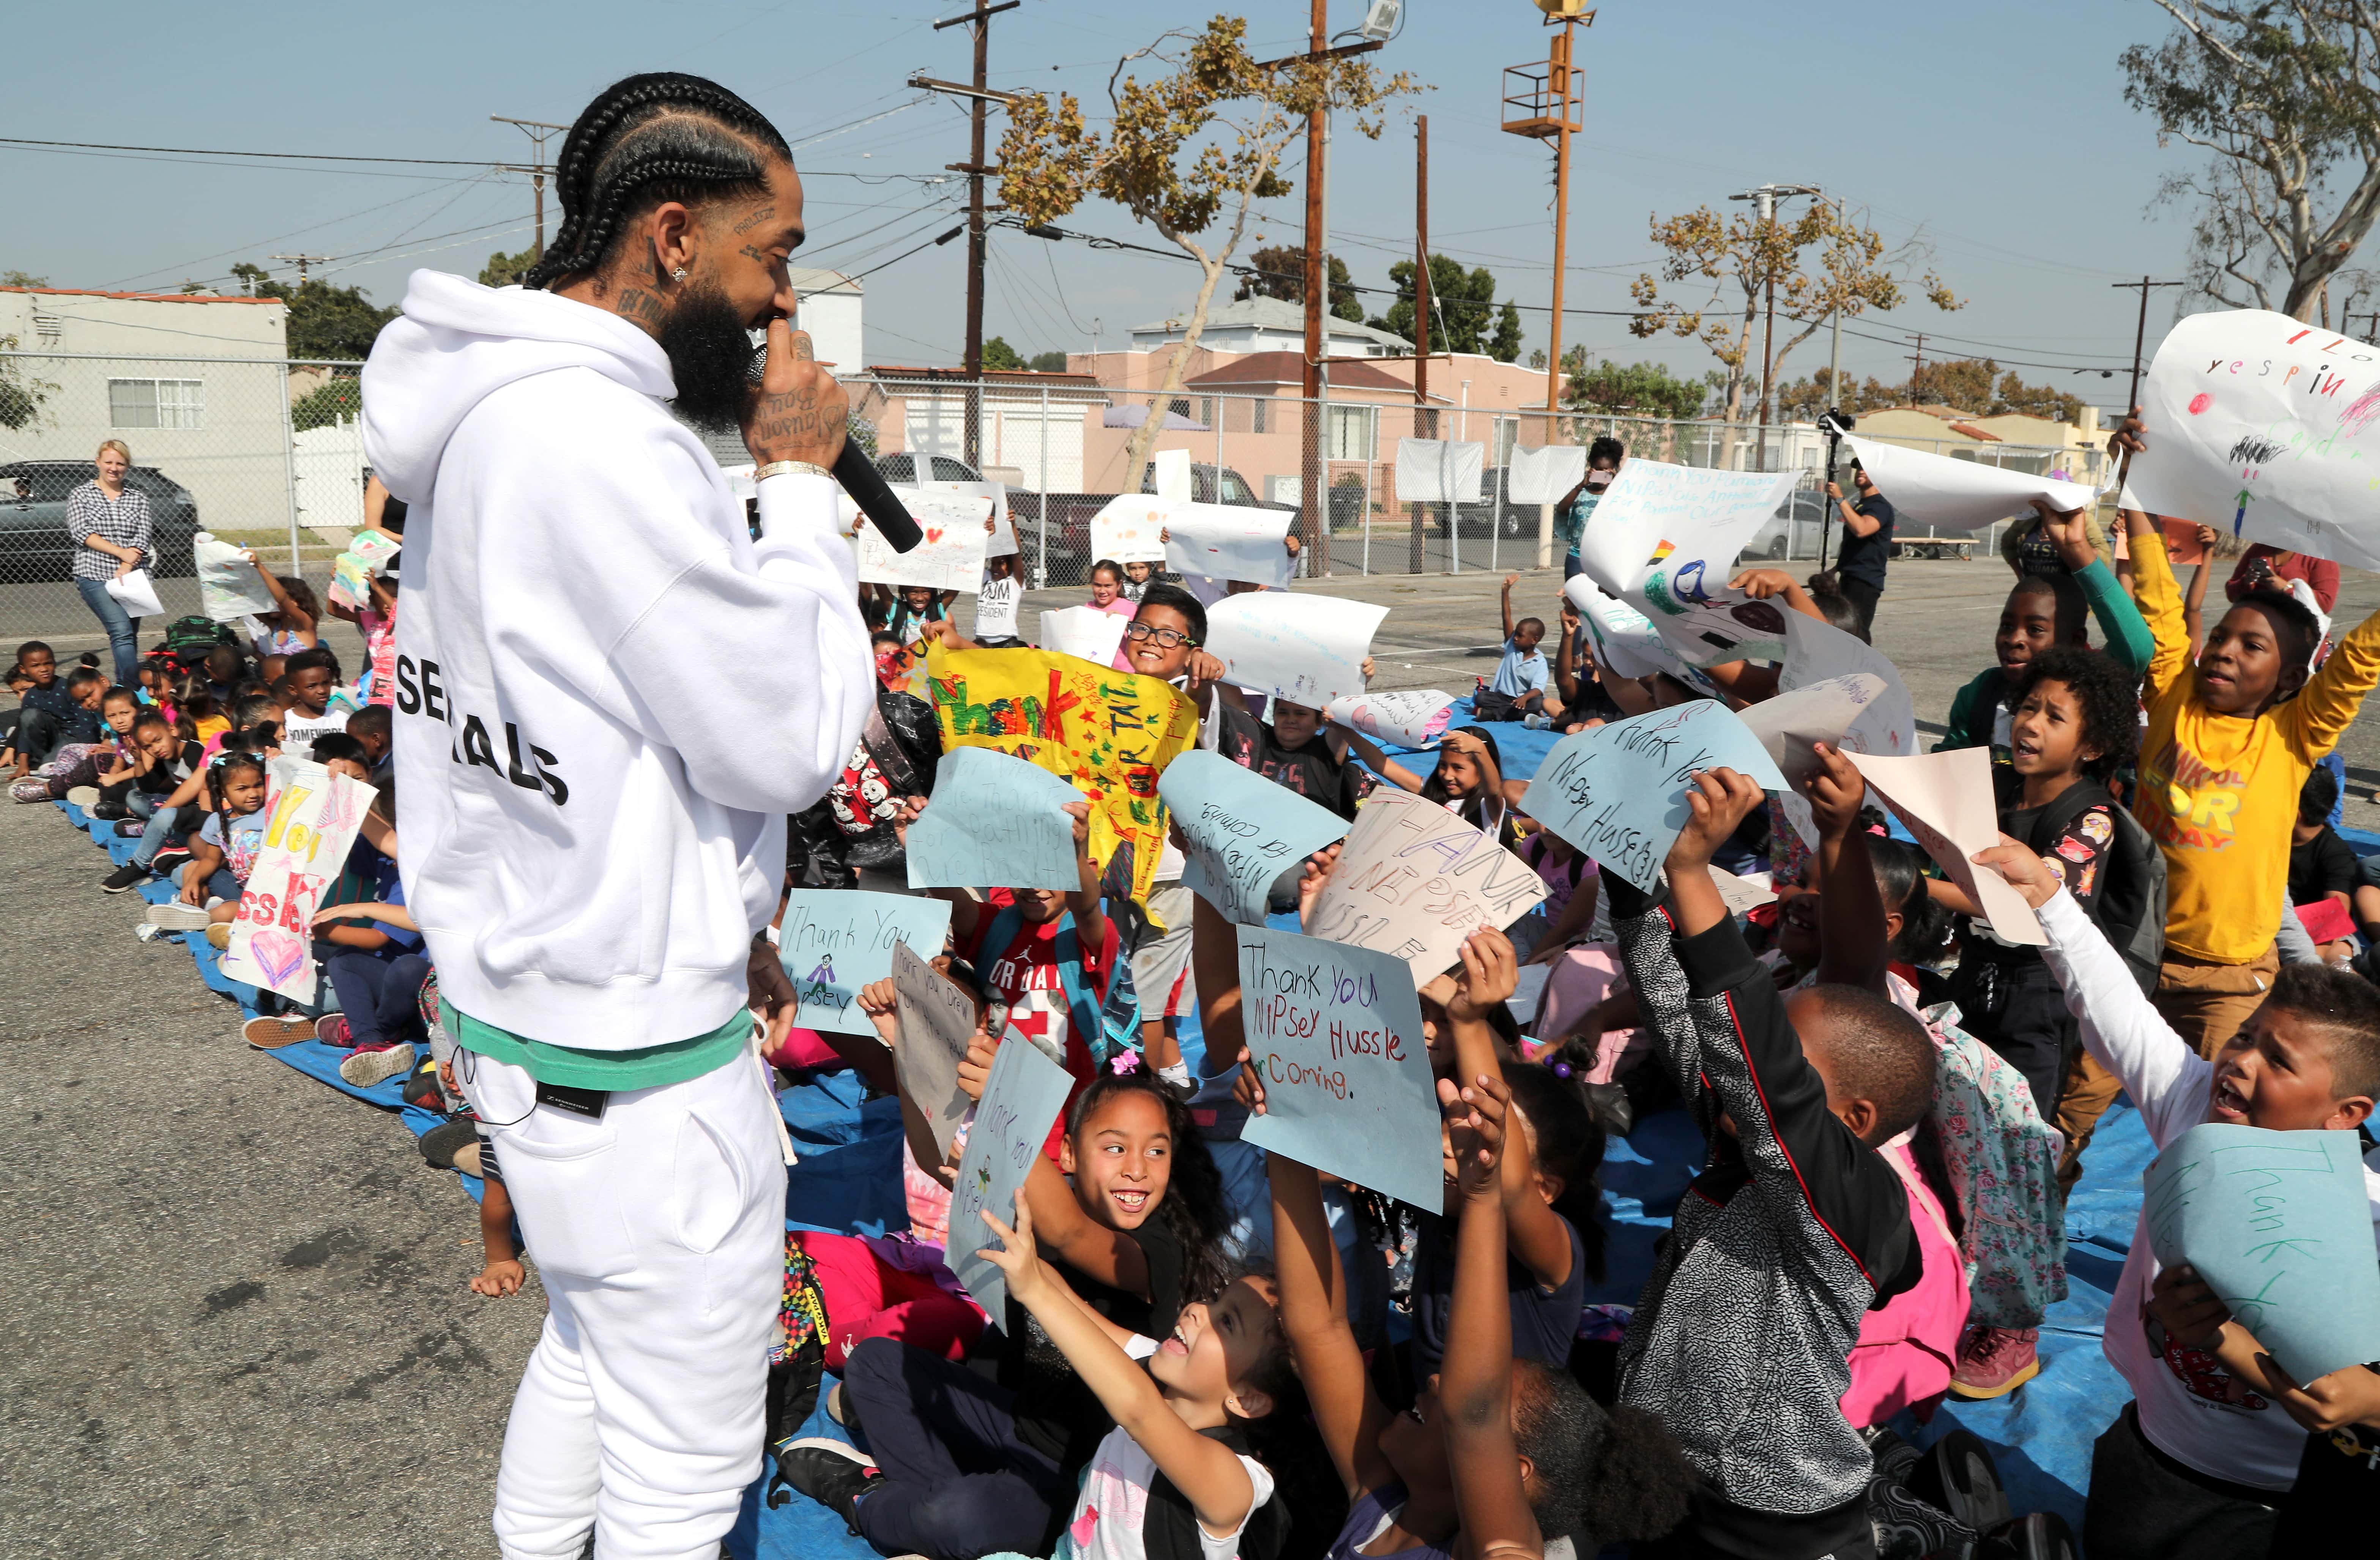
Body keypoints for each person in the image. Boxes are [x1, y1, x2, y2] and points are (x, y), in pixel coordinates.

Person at [360, 70, 876, 1558]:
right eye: (770, 257)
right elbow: (783, 731)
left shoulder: (480, 417)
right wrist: (792, 491)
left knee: (587, 1350)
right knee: (682, 1460)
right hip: (640, 1076)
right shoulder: (600, 442)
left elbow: (584, 733)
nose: (783, 305)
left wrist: (718, 897)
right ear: (671, 236)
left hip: (524, 1016)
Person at [1977, 835, 2380, 1560]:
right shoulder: (2192, 1106)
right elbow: (2117, 1013)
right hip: (2153, 1450)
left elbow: (2334, 1395)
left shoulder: (2368, 1222)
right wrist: (2047, 899)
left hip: (2276, 1497)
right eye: (2247, 1037)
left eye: (2278, 1060)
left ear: (2346, 1114)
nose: (2241, 1060)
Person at [1604, 767, 1929, 1560]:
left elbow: (1761, 1074)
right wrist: (1625, 858)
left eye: (1787, 1056)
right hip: (1667, 1474)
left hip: (1771, 1521)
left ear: (1854, 1121)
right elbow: (1683, 1014)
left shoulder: (1857, 1204)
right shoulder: (1740, 1142)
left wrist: (1691, 875)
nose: (1744, 1062)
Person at [2110, 410, 2380, 1058]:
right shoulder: (2173, 689)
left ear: (2289, 678)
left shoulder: (2294, 737)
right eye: (2224, 637)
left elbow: (2355, 664)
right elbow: (2155, 596)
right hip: (2130, 952)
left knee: (2221, 1121)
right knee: (2068, 1116)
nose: (2226, 651)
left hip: (2232, 978)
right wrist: (2138, 484)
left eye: (2251, 646)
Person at [1936, 646, 2140, 1121]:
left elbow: (2018, 904)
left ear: (2091, 747)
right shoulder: (1996, 784)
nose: (2031, 724)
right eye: (2028, 707)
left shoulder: (2091, 820)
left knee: (2016, 1130)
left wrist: (1915, 888)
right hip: (1973, 978)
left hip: (2037, 1001)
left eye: (2054, 718)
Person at [1935, 501, 2153, 761]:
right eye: (2007, 625)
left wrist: (2077, 550)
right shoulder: (1982, 693)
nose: (2015, 639)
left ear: (2076, 640)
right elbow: (1947, 769)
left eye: (2036, 629)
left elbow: (2136, 648)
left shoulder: (2089, 688)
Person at [66, 440, 153, 686]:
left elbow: (143, 536)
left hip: (133, 577)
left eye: (120, 463)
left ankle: (121, 691)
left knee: (128, 637)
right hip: (94, 574)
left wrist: (127, 565)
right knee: (121, 632)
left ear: (127, 466)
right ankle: (133, 694)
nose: (114, 468)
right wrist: (120, 553)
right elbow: (81, 533)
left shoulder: (138, 498)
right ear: (98, 463)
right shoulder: (81, 495)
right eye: (109, 462)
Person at [1823, 458, 1895, 635]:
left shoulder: (1880, 505)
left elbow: (1862, 530)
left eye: (1866, 469)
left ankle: (1865, 664)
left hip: (1865, 581)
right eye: (1858, 469)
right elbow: (1856, 546)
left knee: (1857, 634)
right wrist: (1835, 570)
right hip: (1850, 578)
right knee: (1844, 632)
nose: (1861, 471)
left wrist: (1840, 499)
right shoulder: (1862, 505)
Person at [1551, 435, 1623, 580]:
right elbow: (1562, 510)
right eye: (1598, 469)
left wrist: (1618, 483)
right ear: (1591, 469)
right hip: (1578, 556)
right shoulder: (1581, 493)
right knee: (1574, 599)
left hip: (1606, 559)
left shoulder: (1618, 495)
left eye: (1606, 471)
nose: (1602, 473)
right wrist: (1582, 485)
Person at [1489, 575, 1559, 725]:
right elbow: (1507, 618)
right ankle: (1513, 714)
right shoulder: (1511, 647)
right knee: (1482, 698)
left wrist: (1525, 698)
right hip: (1502, 697)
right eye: (1516, 634)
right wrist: (1505, 592)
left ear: (1534, 640)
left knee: (1539, 702)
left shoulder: (1540, 662)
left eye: (1520, 636)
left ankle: (1496, 714)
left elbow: (1537, 689)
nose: (1515, 638)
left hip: (1522, 700)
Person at [974, 548, 1026, 649]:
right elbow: (978, 556)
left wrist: (1012, 533)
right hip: (982, 640)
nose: (995, 568)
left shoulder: (1014, 583)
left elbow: (1017, 555)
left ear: (1010, 566)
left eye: (1001, 564)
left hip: (1006, 641)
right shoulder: (985, 577)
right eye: (993, 563)